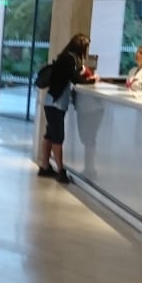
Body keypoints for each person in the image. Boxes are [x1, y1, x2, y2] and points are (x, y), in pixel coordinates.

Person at [37, 33, 98, 182]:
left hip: (52, 102)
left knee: (50, 134)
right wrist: (92, 80)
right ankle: (60, 170)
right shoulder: (69, 59)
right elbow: (75, 79)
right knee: (57, 137)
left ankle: (45, 166)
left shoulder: (65, 57)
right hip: (56, 103)